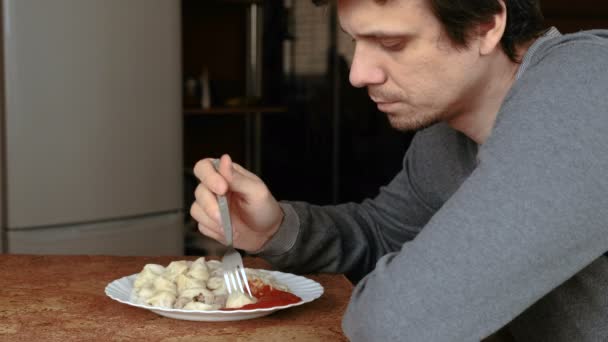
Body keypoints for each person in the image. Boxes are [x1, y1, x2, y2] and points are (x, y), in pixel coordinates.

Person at [190, 0, 608, 340]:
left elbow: (395, 324)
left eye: (390, 43)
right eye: (355, 41)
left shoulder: (588, 90)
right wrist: (274, 228)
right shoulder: (447, 130)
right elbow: (383, 233)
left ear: (486, 25)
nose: (357, 74)